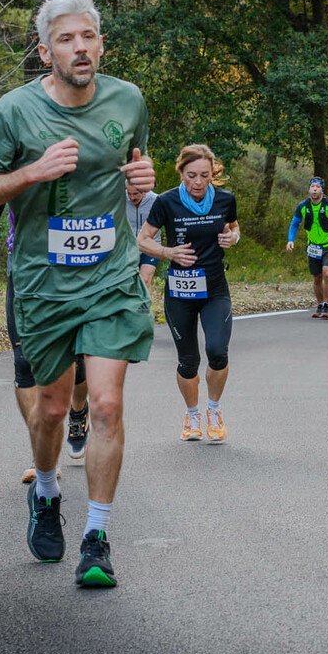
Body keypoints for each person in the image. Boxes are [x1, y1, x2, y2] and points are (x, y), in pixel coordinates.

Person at [0, 0, 155, 589]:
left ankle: (97, 538)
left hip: (111, 276)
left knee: (105, 404)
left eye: (88, 37)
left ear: (102, 45)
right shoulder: (13, 112)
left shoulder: (128, 100)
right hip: (44, 282)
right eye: (66, 39)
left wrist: (141, 180)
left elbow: (136, 168)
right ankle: (46, 492)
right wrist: (33, 172)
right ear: (45, 50)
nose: (80, 48)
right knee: (50, 408)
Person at [0, 207, 90, 484]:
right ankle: (43, 455)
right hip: (24, 259)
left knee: (74, 358)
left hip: (72, 259)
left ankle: (78, 411)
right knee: (24, 361)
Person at [138, 145, 240, 446]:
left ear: (213, 173)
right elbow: (143, 240)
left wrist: (232, 238)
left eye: (205, 175)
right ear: (181, 172)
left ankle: (214, 410)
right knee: (188, 361)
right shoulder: (167, 202)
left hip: (214, 289)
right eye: (192, 175)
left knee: (218, 351)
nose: (198, 182)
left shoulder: (224, 199)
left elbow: (234, 228)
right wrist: (168, 252)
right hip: (180, 292)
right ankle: (192, 415)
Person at [287, 177, 328, 319]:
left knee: (327, 273)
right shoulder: (303, 206)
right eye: (312, 187)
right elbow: (295, 223)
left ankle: (326, 304)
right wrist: (291, 240)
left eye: (317, 187)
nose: (315, 189)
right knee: (317, 277)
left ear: (322, 190)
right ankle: (320, 304)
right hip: (313, 247)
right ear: (309, 189)